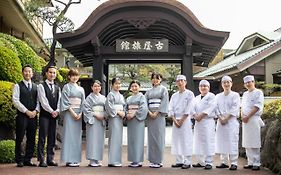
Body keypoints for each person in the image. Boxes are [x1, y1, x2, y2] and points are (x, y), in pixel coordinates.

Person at [12, 64, 39, 167]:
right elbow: (15, 100)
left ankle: (28, 159)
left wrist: (36, 111)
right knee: (20, 137)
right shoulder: (17, 86)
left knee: (31, 138)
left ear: (32, 74)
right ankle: (19, 159)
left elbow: (38, 101)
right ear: (22, 73)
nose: (28, 73)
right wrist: (26, 111)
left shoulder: (36, 86)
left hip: (33, 115)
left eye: (29, 71)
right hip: (22, 115)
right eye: (26, 71)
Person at [60, 69, 85, 167]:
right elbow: (65, 101)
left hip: (78, 113)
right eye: (73, 75)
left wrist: (81, 113)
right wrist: (72, 112)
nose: (75, 77)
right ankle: (69, 159)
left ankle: (75, 159)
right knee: (69, 135)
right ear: (69, 77)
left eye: (76, 75)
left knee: (77, 136)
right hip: (70, 113)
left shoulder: (81, 89)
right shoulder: (66, 87)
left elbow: (83, 102)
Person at [169, 75, 195, 169]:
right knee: (176, 140)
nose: (180, 82)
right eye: (178, 81)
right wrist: (175, 120)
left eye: (182, 81)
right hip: (176, 120)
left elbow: (189, 108)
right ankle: (179, 160)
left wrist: (182, 120)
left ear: (185, 82)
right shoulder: (174, 95)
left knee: (186, 140)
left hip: (186, 120)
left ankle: (187, 161)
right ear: (176, 83)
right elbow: (170, 108)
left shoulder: (190, 94)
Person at [215, 75, 240, 171]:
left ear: (231, 83)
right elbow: (215, 107)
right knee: (222, 141)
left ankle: (234, 162)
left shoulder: (235, 95)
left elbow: (235, 107)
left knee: (232, 141)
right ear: (222, 84)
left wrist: (226, 118)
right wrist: (220, 117)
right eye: (224, 82)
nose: (226, 84)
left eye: (228, 82)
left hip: (231, 121)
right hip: (220, 121)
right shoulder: (218, 96)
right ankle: (224, 162)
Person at [37, 65, 61, 167]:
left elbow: (60, 101)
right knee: (42, 137)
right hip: (45, 115)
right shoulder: (41, 86)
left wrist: (58, 110)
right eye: (50, 72)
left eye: (54, 73)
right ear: (46, 73)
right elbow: (43, 101)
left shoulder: (57, 87)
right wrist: (52, 111)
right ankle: (41, 159)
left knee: (52, 137)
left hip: (54, 116)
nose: (52, 74)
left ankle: (50, 158)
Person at [145, 72, 169, 168]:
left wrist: (157, 112)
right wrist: (149, 112)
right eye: (153, 78)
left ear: (160, 80)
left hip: (159, 116)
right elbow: (144, 102)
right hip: (150, 115)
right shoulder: (148, 91)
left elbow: (164, 102)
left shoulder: (164, 90)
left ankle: (158, 160)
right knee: (151, 138)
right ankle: (152, 159)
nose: (155, 80)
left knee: (159, 137)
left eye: (157, 78)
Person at [241, 75, 264, 171]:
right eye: (246, 83)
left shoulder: (258, 92)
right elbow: (242, 106)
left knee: (255, 141)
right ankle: (250, 162)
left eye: (249, 82)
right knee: (247, 142)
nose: (247, 84)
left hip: (253, 119)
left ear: (253, 82)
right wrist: (242, 116)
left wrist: (248, 116)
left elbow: (257, 106)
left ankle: (256, 162)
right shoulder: (245, 94)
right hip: (245, 120)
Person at [192, 80, 216, 170]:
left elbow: (211, 107)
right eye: (201, 86)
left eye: (205, 86)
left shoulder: (211, 96)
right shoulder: (196, 98)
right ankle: (200, 161)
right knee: (198, 141)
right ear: (199, 88)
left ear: (208, 87)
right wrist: (195, 115)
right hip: (198, 122)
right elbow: (192, 108)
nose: (203, 87)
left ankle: (209, 162)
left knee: (208, 141)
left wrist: (201, 115)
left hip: (207, 121)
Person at [82, 80, 107, 167]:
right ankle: (92, 160)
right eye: (95, 86)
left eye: (98, 86)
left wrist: (104, 115)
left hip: (101, 120)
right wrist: (95, 114)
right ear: (92, 87)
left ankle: (98, 159)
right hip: (92, 119)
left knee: (100, 139)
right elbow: (86, 109)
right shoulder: (89, 98)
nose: (97, 88)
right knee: (92, 139)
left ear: (100, 87)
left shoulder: (104, 98)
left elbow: (107, 109)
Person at [125, 80, 148, 168]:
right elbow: (125, 108)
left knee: (138, 139)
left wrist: (134, 114)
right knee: (131, 139)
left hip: (138, 120)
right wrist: (127, 114)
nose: (134, 88)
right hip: (131, 120)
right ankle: (133, 159)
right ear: (130, 88)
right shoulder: (128, 98)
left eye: (136, 86)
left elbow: (143, 108)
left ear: (139, 87)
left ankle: (138, 160)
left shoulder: (142, 97)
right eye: (132, 86)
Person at [105, 78, 126, 167]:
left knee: (118, 138)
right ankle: (112, 161)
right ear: (112, 85)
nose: (118, 85)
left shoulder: (121, 96)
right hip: (114, 117)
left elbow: (124, 106)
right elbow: (109, 106)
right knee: (113, 137)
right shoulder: (110, 95)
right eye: (116, 84)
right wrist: (118, 112)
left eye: (119, 84)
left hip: (120, 118)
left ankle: (117, 160)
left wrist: (124, 112)